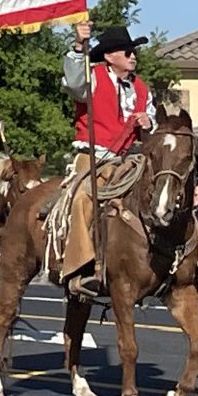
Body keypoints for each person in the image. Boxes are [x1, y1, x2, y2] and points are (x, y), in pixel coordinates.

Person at [60, 22, 156, 297]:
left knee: (164, 195)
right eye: (127, 52)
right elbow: (74, 84)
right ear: (109, 56)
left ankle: (191, 263)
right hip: (94, 157)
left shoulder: (142, 88)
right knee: (82, 199)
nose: (133, 56)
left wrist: (149, 122)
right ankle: (80, 268)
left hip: (128, 161)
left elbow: (154, 123)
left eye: (133, 52)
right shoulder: (92, 76)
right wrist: (79, 46)